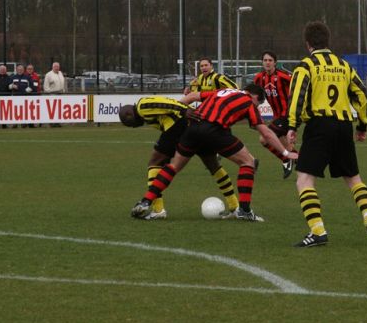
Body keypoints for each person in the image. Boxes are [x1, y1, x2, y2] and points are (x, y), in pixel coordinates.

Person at [130, 84, 297, 222]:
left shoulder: (221, 91)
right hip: (214, 130)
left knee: (174, 166)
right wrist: (285, 152)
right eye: (258, 103)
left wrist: (180, 113)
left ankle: (145, 201)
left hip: (192, 128)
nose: (257, 107)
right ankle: (244, 210)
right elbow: (266, 133)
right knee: (248, 162)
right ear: (254, 96)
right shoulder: (248, 102)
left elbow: (192, 96)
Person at [286, 21, 367, 248]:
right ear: (328, 41)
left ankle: (317, 232)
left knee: (304, 180)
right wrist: (362, 125)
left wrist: (292, 125)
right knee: (354, 179)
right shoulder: (344, 66)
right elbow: (362, 96)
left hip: (319, 126)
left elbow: (297, 97)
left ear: (308, 44)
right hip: (343, 126)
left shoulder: (306, 66)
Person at [119, 96, 242, 220]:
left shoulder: (142, 106)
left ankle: (157, 209)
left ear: (129, 115)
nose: (133, 127)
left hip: (178, 125)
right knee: (213, 165)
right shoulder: (146, 116)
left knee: (155, 162)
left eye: (130, 124)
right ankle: (234, 206)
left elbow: (165, 103)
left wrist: (184, 110)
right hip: (195, 126)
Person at [253, 50, 296, 178]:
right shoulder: (259, 78)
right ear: (262, 62)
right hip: (277, 117)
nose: (267, 62)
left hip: (287, 114)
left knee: (264, 139)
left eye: (270, 60)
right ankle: (305, 163)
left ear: (275, 62)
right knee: (288, 147)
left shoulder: (283, 76)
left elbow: (298, 86)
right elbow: (254, 94)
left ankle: (286, 159)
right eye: (265, 60)